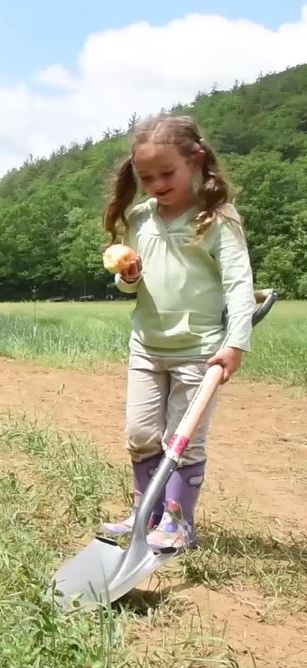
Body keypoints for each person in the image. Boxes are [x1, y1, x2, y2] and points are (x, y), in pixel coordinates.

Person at [100, 115, 256, 550]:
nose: (156, 184)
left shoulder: (217, 219)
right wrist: (128, 276)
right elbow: (129, 285)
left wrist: (235, 343)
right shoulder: (139, 218)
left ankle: (177, 522)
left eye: (166, 173)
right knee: (141, 435)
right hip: (147, 347)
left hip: (200, 352)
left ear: (196, 161)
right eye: (146, 177)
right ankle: (143, 514)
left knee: (183, 442)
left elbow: (239, 285)